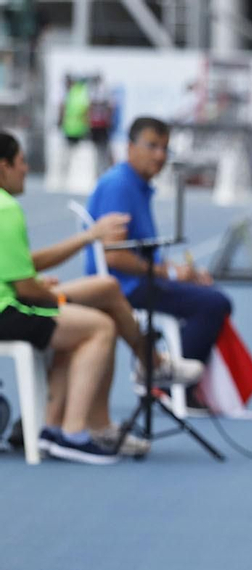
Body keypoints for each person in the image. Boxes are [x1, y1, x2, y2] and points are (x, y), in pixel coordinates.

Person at [0, 132, 125, 464]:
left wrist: (40, 286)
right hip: (6, 310)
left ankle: (52, 428)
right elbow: (24, 289)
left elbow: (19, 268)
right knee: (99, 326)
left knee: (89, 307)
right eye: (22, 162)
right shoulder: (6, 208)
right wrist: (46, 293)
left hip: (10, 301)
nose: (26, 169)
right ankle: (72, 433)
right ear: (3, 167)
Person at [86, 117, 235, 391]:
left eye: (165, 148)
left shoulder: (136, 185)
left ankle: (165, 368)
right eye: (152, 146)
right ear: (130, 147)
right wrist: (169, 272)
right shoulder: (119, 186)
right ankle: (168, 385)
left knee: (206, 292)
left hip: (136, 281)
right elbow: (114, 256)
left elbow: (142, 252)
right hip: (124, 288)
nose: (160, 155)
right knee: (213, 303)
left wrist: (180, 272)